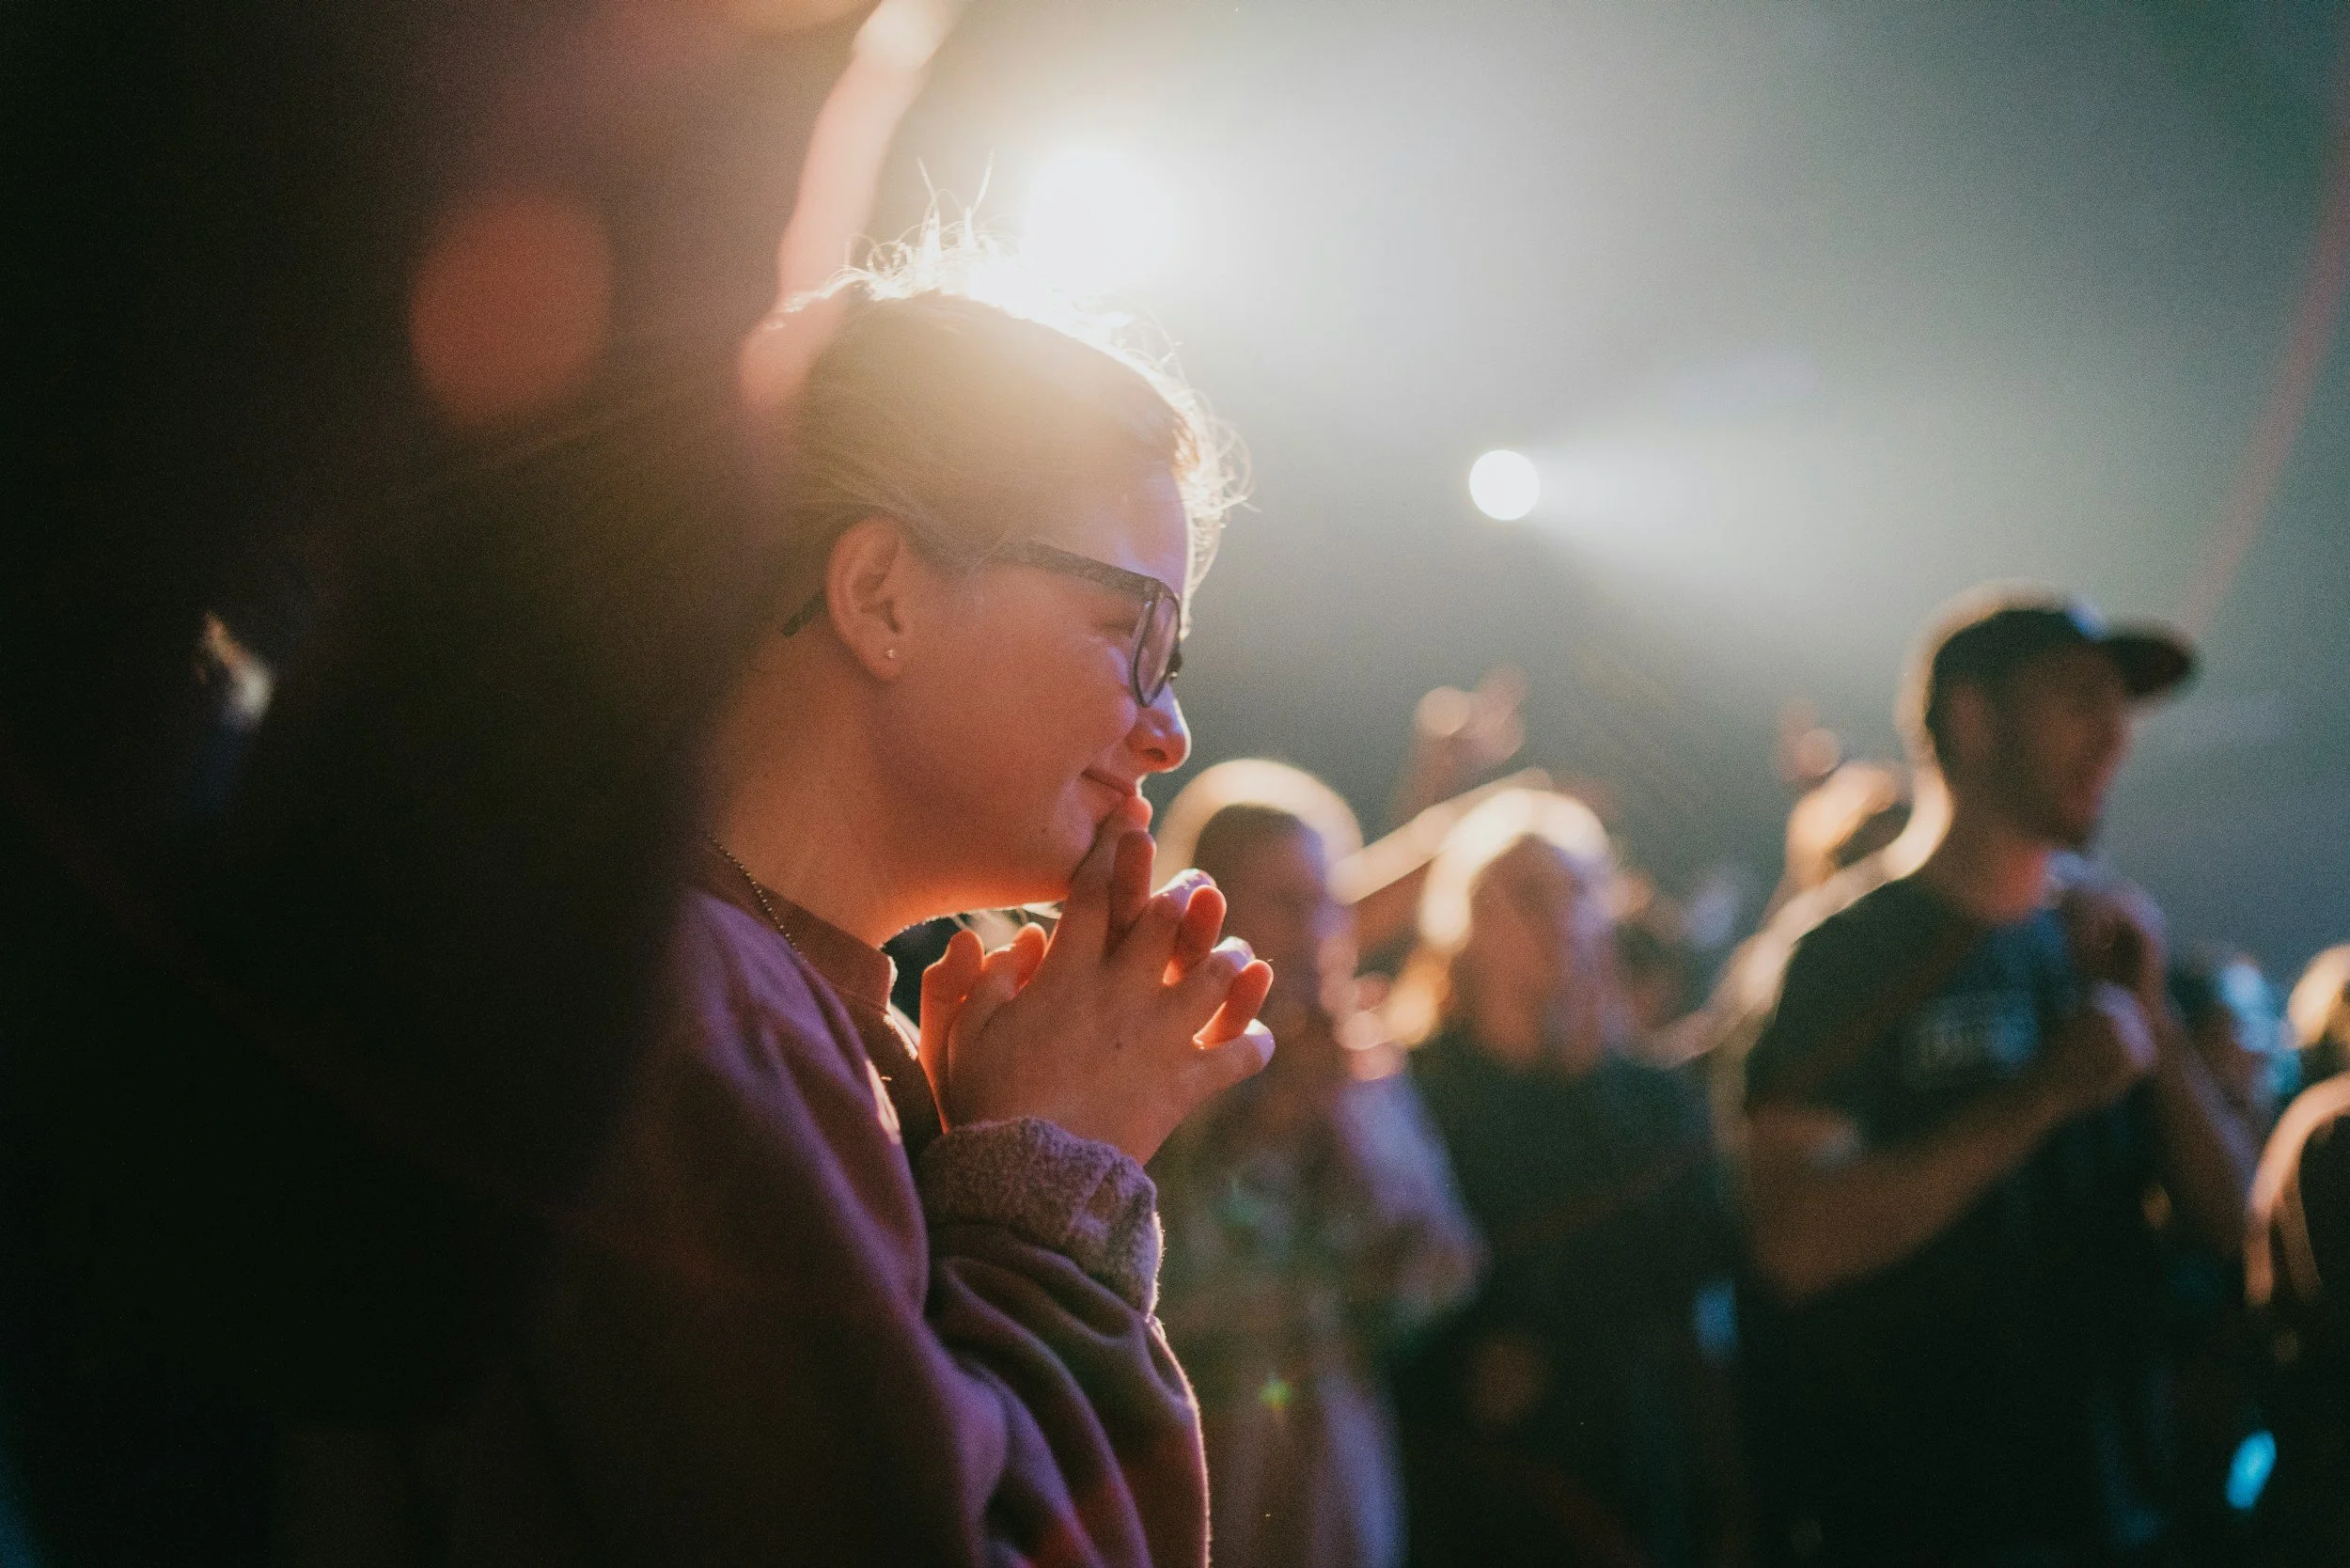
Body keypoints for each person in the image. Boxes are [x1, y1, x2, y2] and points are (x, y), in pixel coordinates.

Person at [424, 245, 1277, 1565]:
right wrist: (1050, 1172)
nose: (1169, 730)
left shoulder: (752, 993)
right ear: (881, 595)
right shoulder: (693, 1014)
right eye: (1135, 633)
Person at [1732, 588, 2261, 1567]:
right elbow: (1795, 1242)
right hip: (1916, 1528)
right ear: (1973, 722)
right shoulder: (1845, 956)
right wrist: (2043, 1094)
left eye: (2118, 710)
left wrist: (2153, 1026)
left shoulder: (2101, 939)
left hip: (2119, 1512)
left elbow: (2229, 1225)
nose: (2114, 741)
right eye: (2078, 702)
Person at [1147, 760, 1483, 1568]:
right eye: (1291, 904)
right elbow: (1159, 1298)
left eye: (1331, 904)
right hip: (1176, 1490)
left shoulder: (1363, 1071)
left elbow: (1444, 1279)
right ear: (1207, 909)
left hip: (1336, 1493)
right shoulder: (1145, 1062)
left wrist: (1349, 1145)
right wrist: (1264, 1136)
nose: (1320, 933)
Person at [1388, 788, 1735, 1568]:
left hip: (1627, 1480)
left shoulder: (1649, 1099)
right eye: (1530, 895)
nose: (1561, 919)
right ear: (1464, 921)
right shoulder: (1411, 1094)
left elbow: (1697, 1266)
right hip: (1462, 1491)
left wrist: (1594, 1087)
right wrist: (1461, 1362)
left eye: (1580, 891)